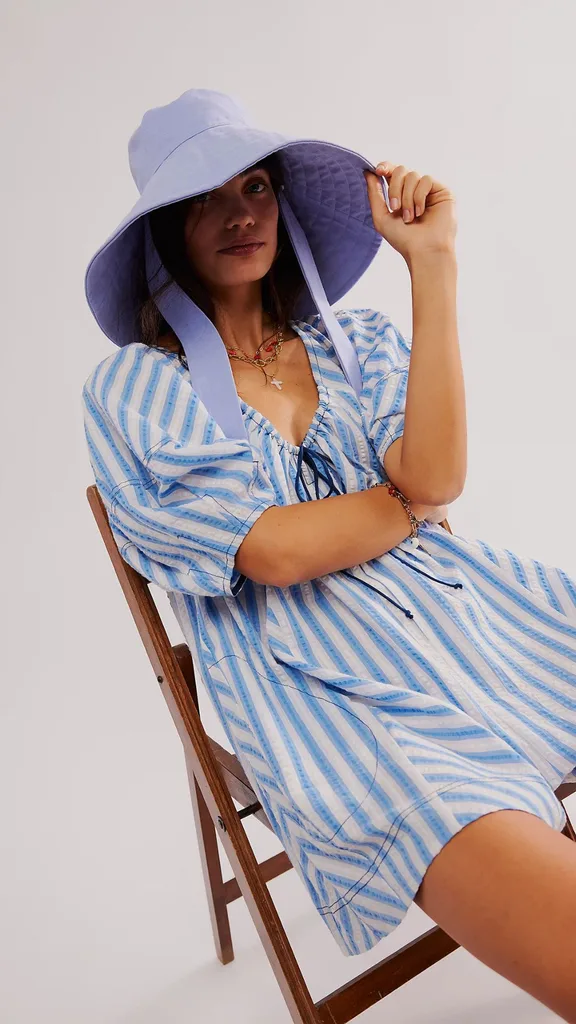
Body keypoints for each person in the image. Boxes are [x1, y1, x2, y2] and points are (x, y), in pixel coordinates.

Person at [82, 89, 576, 1020]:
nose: (239, 213)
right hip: (324, 688)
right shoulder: (136, 389)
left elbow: (442, 476)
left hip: (474, 617)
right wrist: (407, 499)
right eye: (202, 198)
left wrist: (432, 262)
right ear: (165, 232)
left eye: (257, 185)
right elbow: (272, 554)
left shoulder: (362, 344)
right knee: (451, 814)